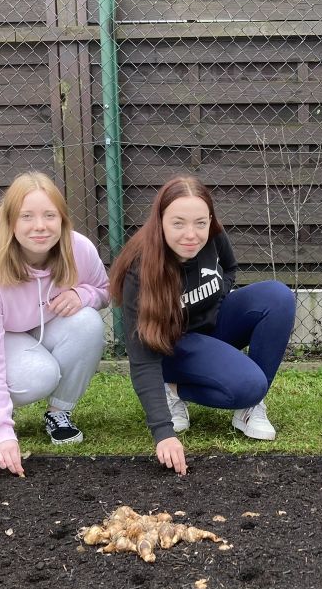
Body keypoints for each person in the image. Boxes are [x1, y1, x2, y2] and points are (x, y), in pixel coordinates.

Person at [110, 174, 295, 476]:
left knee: (277, 297)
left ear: (209, 220)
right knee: (248, 385)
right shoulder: (140, 269)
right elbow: (142, 360)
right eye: (178, 223)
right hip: (173, 347)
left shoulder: (212, 236)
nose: (191, 234)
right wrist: (163, 432)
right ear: (160, 221)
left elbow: (230, 269)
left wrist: (216, 301)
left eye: (200, 222)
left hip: (209, 330)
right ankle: (174, 389)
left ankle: (250, 408)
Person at [0, 172, 109, 477]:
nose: (40, 226)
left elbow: (104, 289)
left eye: (49, 215)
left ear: (62, 219)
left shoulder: (79, 248)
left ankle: (59, 413)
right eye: (27, 216)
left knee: (88, 323)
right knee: (39, 376)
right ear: (10, 221)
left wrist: (82, 294)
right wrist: (1, 433)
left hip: (36, 323)